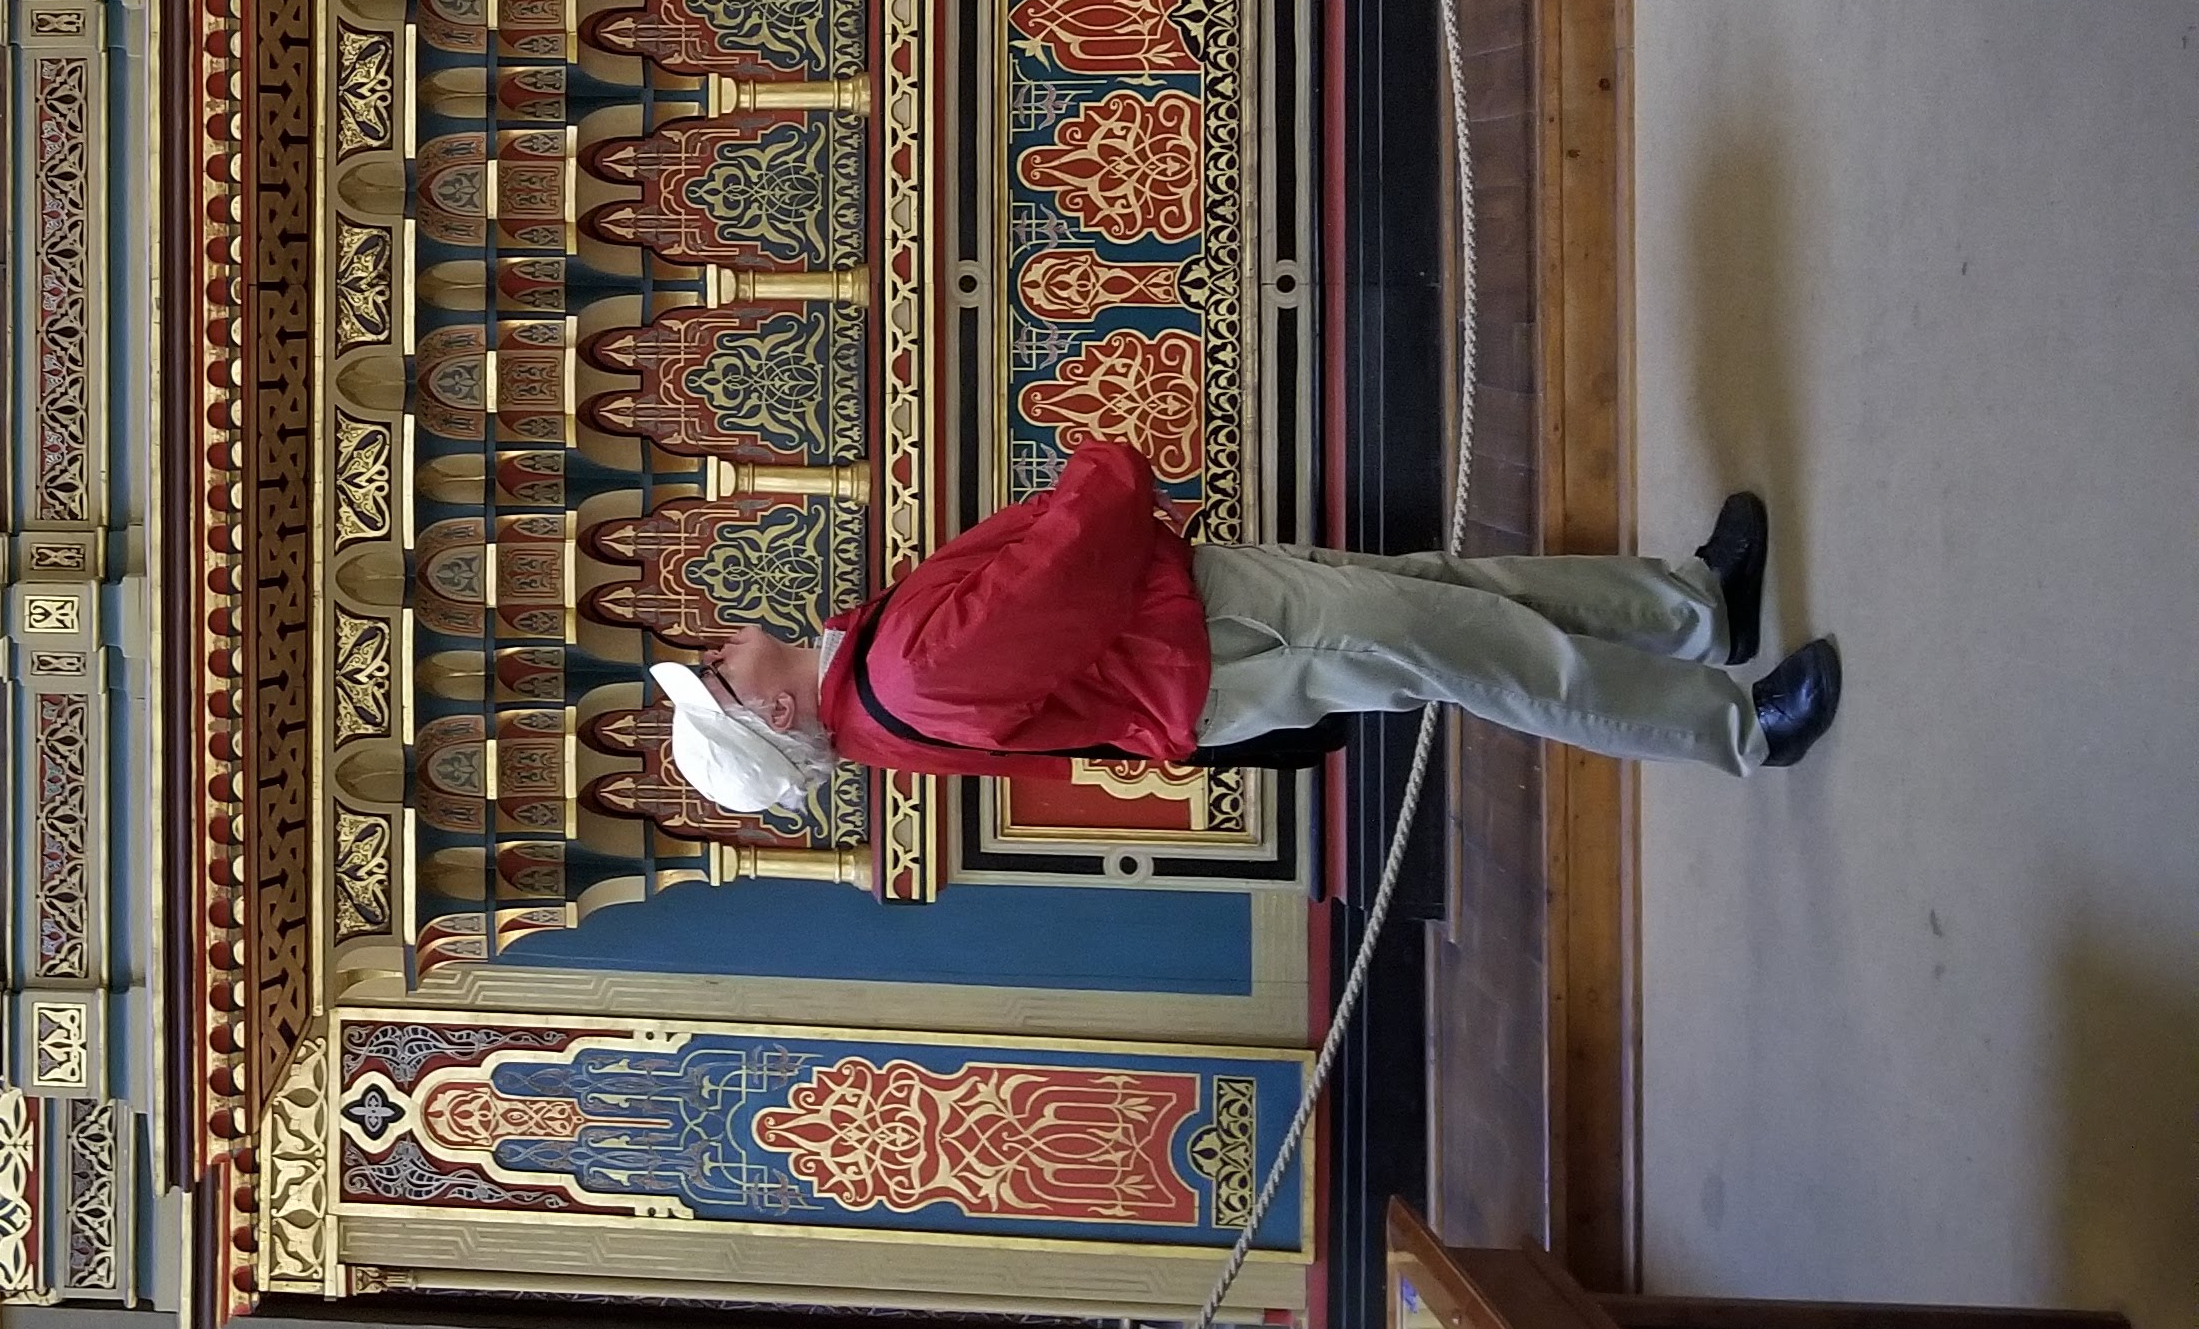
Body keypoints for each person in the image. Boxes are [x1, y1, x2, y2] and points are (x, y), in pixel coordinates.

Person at [648, 437, 1841, 818]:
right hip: (1216, 647)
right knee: (1482, 652)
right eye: (717, 672)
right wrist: (1102, 474)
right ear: (772, 708)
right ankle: (1739, 729)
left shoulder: (872, 668)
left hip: (1199, 616)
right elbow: (1056, 583)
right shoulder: (901, 669)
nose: (722, 647)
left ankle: (1693, 608)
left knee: (1460, 599)